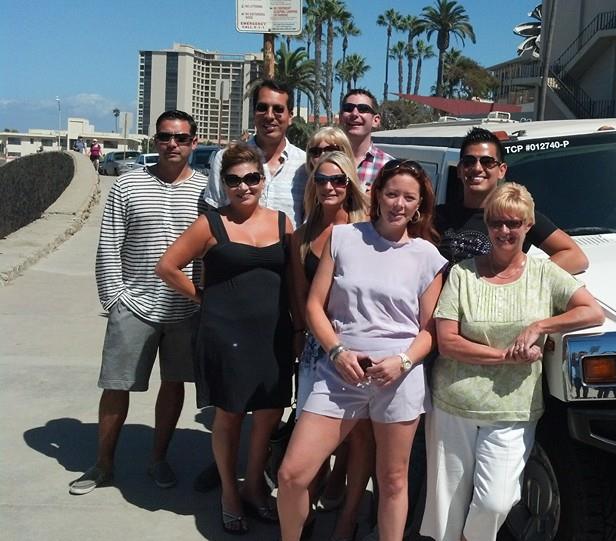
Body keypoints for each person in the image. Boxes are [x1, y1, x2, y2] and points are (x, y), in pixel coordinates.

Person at [421, 183, 604, 541]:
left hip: (514, 407)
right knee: (448, 504)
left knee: (496, 502)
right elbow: (448, 341)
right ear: (488, 225)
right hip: (455, 403)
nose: (505, 231)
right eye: (497, 223)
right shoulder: (463, 274)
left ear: (528, 226)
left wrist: (541, 325)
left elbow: (591, 311)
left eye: (514, 223)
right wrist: (505, 356)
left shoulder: (544, 274)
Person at [277, 159, 447, 541]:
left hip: (398, 377)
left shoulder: (427, 256)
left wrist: (402, 362)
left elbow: (429, 330)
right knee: (292, 475)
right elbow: (313, 307)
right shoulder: (345, 238)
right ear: (376, 195)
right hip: (339, 371)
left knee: (392, 481)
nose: (398, 204)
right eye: (391, 194)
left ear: (419, 205)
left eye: (408, 197)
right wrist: (337, 352)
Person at [157, 144, 305, 534]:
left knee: (269, 412)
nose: (243, 187)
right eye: (234, 180)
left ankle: (255, 486)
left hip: (273, 333)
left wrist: (298, 330)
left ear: (263, 179)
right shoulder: (210, 223)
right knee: (230, 414)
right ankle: (229, 492)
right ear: (224, 184)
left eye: (251, 178)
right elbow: (168, 266)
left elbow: (293, 284)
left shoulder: (282, 223)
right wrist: (201, 297)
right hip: (225, 335)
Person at [69, 110, 206, 496]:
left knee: (174, 384)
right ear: (155, 140)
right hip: (134, 305)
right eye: (165, 137)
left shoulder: (207, 190)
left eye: (181, 138)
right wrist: (115, 298)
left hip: (186, 308)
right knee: (116, 386)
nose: (173, 144)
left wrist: (205, 299)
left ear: (194, 142)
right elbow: (109, 246)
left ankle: (158, 459)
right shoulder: (128, 186)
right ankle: (103, 464)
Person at [290, 146, 372, 540]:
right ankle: (303, 517)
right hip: (315, 349)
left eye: (338, 179)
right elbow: (302, 298)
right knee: (311, 438)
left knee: (359, 441)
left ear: (350, 184)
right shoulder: (302, 235)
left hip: (360, 347)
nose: (328, 186)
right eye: (320, 179)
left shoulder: (366, 229)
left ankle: (348, 518)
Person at [436, 127, 589, 274]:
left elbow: (575, 257)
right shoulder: (436, 217)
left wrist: (519, 277)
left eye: (487, 162)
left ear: (501, 170)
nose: (477, 168)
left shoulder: (516, 217)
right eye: (469, 161)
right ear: (459, 170)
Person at [204, 79, 308, 226]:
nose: (269, 116)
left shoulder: (305, 164)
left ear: (290, 116)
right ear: (254, 113)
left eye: (278, 109)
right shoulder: (225, 159)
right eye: (262, 108)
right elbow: (213, 213)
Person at [338, 88, 394, 191]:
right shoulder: (323, 159)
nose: (354, 114)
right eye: (348, 108)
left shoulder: (389, 167)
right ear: (341, 117)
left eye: (363, 109)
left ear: (375, 120)